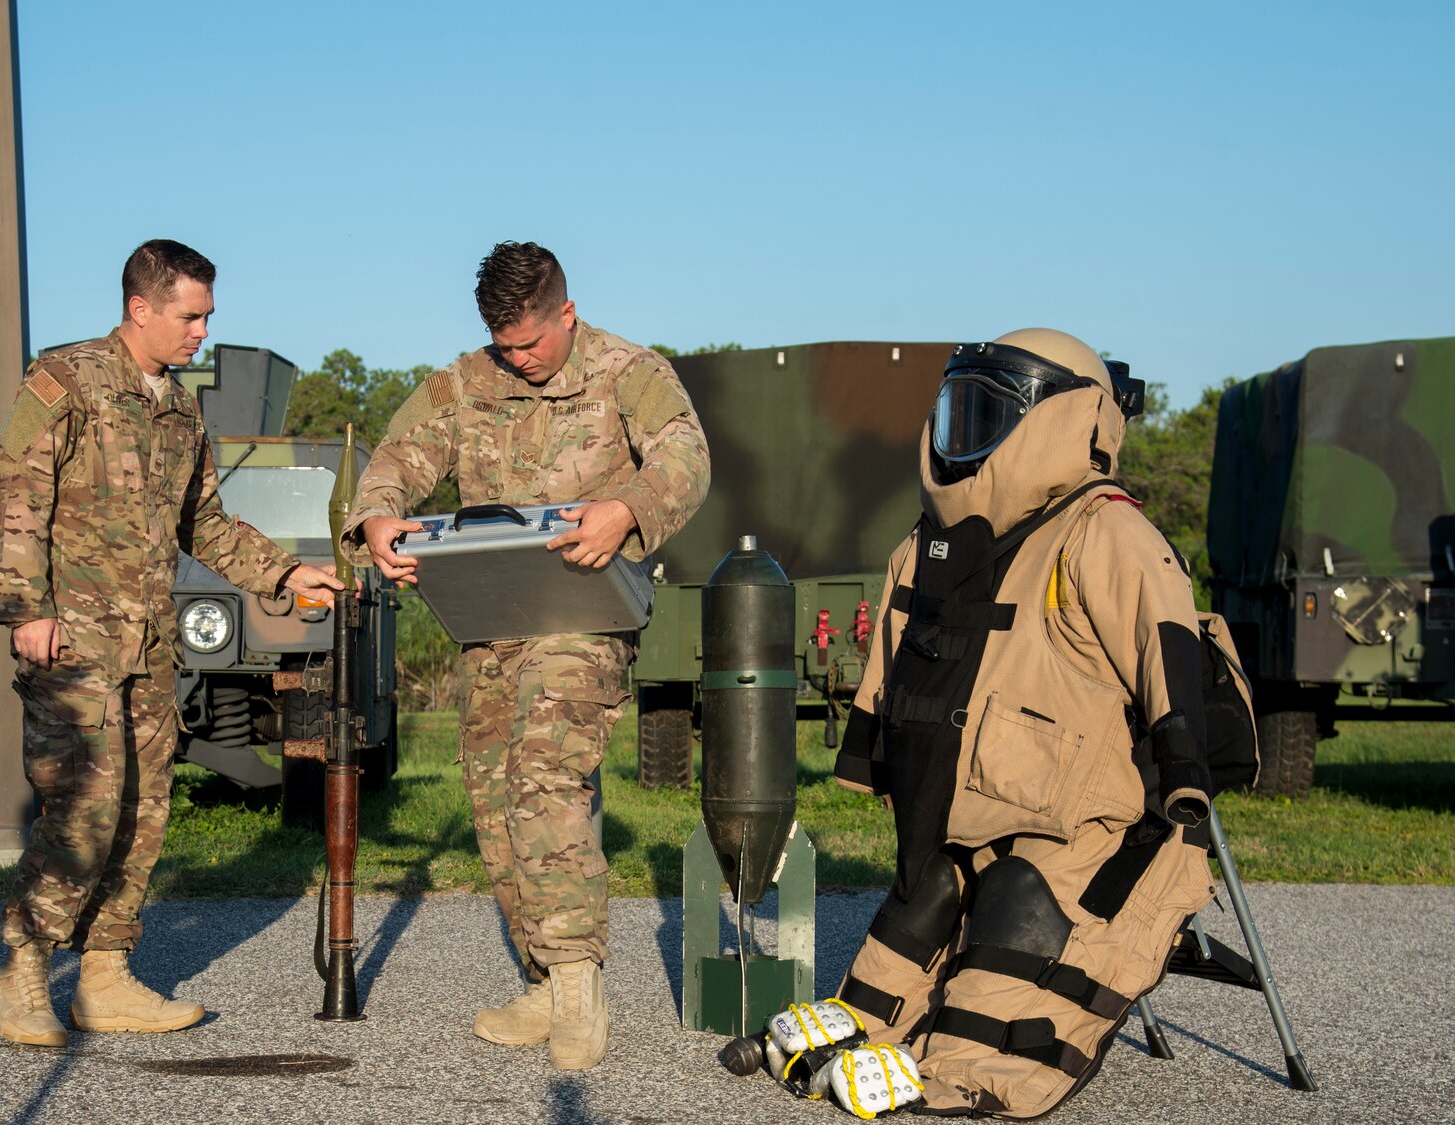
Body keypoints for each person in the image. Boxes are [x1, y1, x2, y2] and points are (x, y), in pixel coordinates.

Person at [780, 329, 1217, 1117]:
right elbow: (891, 655)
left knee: (1020, 899)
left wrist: (1182, 763)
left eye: (989, 413)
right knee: (925, 890)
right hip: (962, 811)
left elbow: (1169, 646)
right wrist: (869, 759)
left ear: (1062, 421)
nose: (965, 434)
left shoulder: (1103, 529)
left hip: (1083, 826)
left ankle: (962, 1067)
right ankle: (866, 1021)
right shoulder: (928, 544)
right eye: (959, 409)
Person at [343, 242, 711, 1069]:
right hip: (493, 617)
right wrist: (377, 517)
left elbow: (688, 458)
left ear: (567, 313)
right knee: (494, 798)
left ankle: (579, 983)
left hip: (584, 616)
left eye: (531, 343)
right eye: (504, 345)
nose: (517, 359)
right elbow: (400, 458)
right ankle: (543, 978)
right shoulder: (466, 380)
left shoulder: (630, 371)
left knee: (545, 772)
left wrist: (627, 507)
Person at [0, 238, 342, 1047]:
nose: (201, 333)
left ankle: (105, 977)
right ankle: (23, 972)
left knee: (145, 807)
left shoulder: (179, 407)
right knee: (86, 802)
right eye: (191, 316)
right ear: (140, 308)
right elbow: (15, 495)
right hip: (70, 639)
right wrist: (23, 607)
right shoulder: (66, 381)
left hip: (149, 645)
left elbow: (202, 524)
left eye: (208, 317)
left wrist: (289, 575)